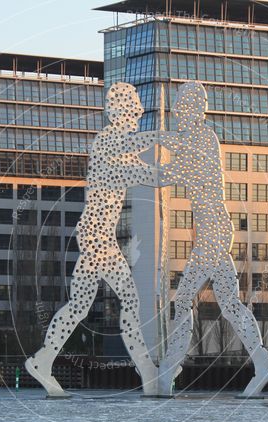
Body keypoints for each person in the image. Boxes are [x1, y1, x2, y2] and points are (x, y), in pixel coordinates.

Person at [26, 83, 158, 398]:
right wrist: (168, 141)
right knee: (128, 301)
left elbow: (150, 171)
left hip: (96, 236)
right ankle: (148, 372)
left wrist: (175, 163)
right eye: (134, 109)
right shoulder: (109, 142)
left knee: (80, 305)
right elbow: (148, 171)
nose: (138, 114)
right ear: (121, 111)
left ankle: (43, 360)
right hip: (98, 238)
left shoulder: (119, 146)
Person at [156, 82, 268, 397]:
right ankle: (262, 359)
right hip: (214, 231)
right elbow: (168, 150)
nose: (177, 115)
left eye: (181, 109)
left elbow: (164, 171)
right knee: (227, 303)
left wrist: (129, 159)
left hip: (213, 231)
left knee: (185, 300)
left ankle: (170, 368)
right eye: (176, 109)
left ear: (195, 111)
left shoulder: (201, 140)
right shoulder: (194, 140)